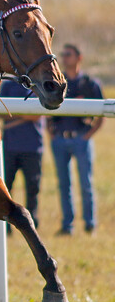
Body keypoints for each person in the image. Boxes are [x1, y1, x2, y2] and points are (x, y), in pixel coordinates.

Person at [0, 79, 44, 236]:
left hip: (33, 147)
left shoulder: (39, 83)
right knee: (5, 187)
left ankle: (32, 225)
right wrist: (27, 113)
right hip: (10, 146)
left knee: (33, 188)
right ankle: (4, 224)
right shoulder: (8, 85)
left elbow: (38, 114)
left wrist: (16, 113)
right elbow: (0, 111)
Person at [49, 44, 104, 235]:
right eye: (62, 55)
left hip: (81, 139)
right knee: (64, 184)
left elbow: (102, 112)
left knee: (86, 183)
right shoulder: (58, 82)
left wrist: (88, 136)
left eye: (68, 54)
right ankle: (67, 225)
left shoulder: (90, 84)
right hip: (60, 140)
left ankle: (90, 223)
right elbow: (48, 111)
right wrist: (52, 133)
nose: (64, 58)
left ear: (79, 58)